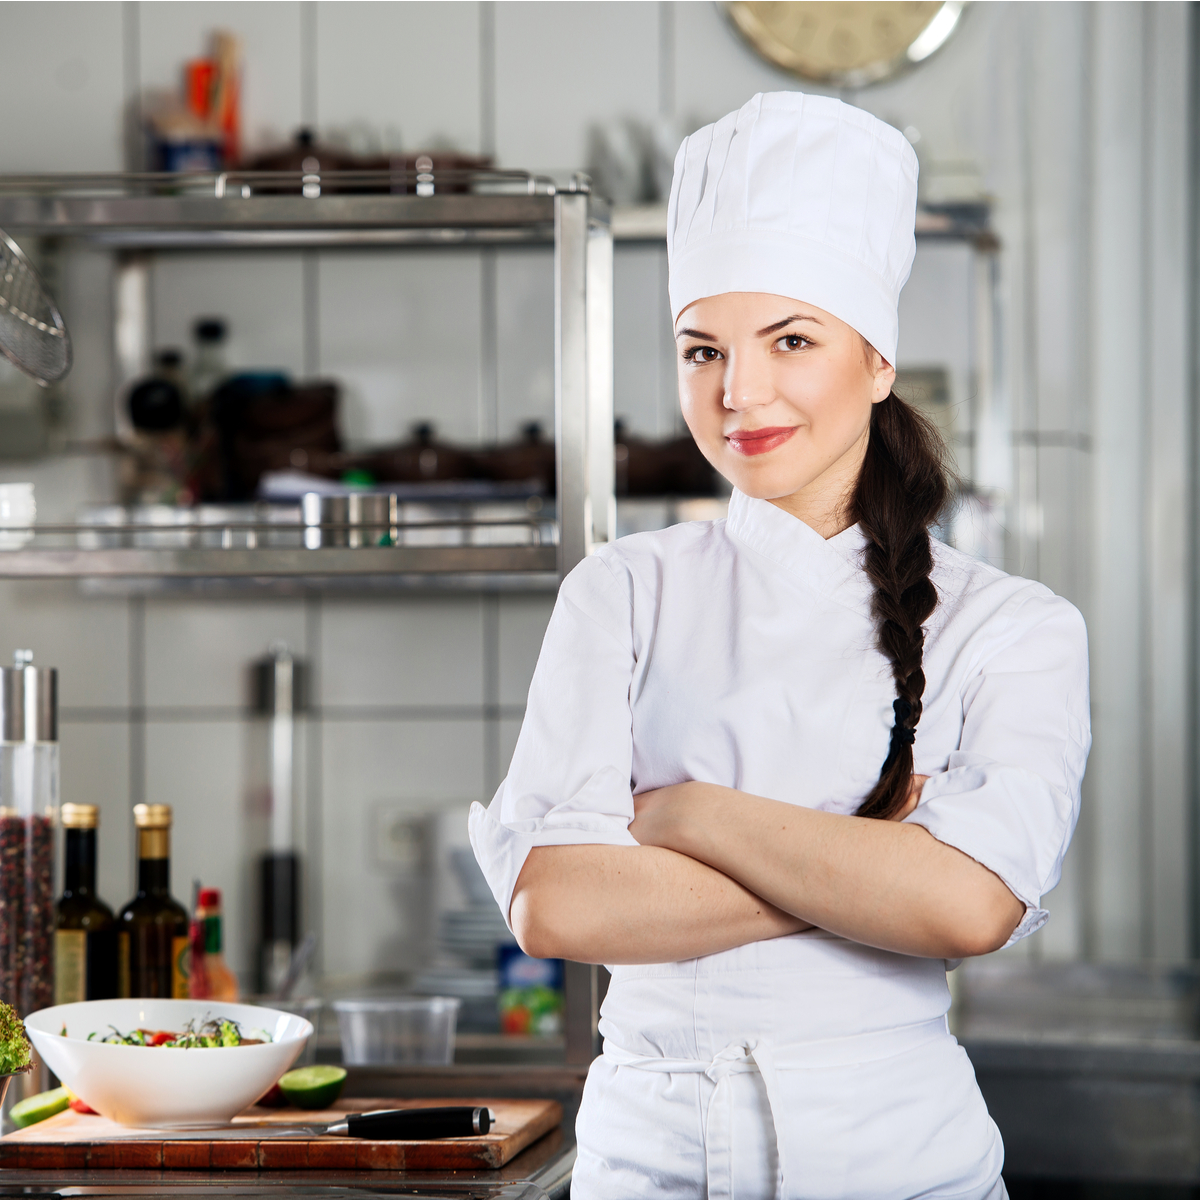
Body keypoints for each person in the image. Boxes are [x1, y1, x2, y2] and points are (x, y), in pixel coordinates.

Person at [470, 91, 1090, 1199]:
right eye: (701, 349)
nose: (737, 392)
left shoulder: (1016, 626)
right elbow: (558, 905)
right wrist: (870, 855)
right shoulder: (621, 591)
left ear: (878, 362)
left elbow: (968, 907)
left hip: (901, 1162)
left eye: (790, 341)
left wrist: (686, 818)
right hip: (644, 1161)